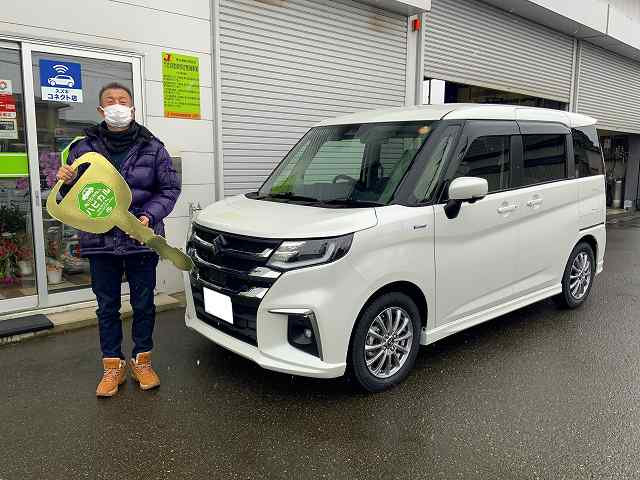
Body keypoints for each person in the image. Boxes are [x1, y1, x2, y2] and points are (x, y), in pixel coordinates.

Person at [56, 82, 180, 397]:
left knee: (144, 304)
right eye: (110, 101)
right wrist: (65, 182)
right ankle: (112, 366)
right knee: (107, 306)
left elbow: (169, 189)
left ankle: (142, 361)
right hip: (99, 241)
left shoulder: (153, 147)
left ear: (132, 108)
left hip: (140, 237)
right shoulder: (82, 148)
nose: (117, 105)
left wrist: (149, 216)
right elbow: (72, 196)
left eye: (123, 101)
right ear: (101, 110)